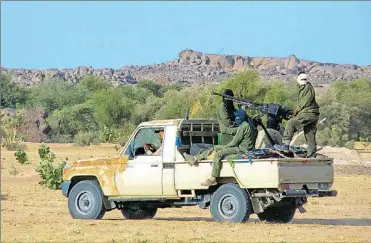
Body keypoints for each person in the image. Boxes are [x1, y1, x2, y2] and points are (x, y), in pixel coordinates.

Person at [184, 109, 257, 186]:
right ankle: (195, 158)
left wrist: (224, 147)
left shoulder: (243, 127)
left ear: (239, 118)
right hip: (243, 148)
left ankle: (213, 179)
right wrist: (226, 130)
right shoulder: (248, 125)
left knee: (218, 154)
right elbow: (235, 131)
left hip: (241, 150)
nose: (235, 119)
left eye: (236, 118)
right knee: (215, 147)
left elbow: (235, 142)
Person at [274, 71, 320, 157]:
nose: (303, 80)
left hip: (308, 113)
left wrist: (297, 110)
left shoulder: (306, 88)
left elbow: (304, 102)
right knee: (310, 135)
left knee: (291, 123)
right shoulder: (305, 87)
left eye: (304, 79)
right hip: (313, 114)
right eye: (302, 79)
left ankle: (286, 145)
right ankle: (312, 155)